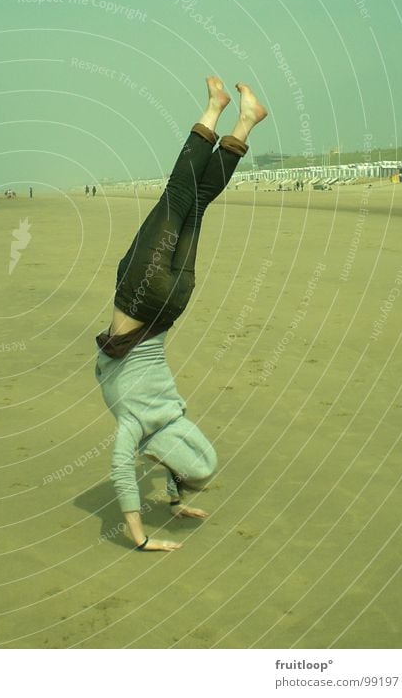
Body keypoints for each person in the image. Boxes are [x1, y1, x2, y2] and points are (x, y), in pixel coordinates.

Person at [95, 77, 268, 551]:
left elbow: (174, 456)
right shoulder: (137, 422)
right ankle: (215, 109)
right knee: (178, 195)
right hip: (141, 295)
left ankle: (246, 123)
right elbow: (120, 473)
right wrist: (140, 536)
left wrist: (178, 497)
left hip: (174, 303)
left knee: (195, 205)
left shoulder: (175, 415)